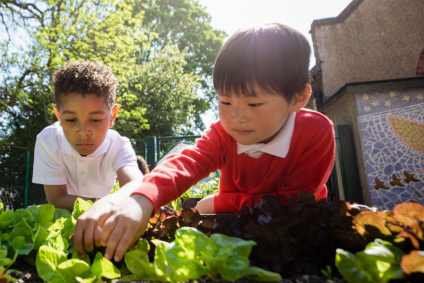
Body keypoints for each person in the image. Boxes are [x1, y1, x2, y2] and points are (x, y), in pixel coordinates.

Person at [77, 23, 336, 262]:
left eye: (254, 103)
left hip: (296, 241)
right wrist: (141, 200)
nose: (235, 117)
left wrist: (219, 202)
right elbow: (186, 163)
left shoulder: (315, 133)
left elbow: (291, 207)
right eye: (225, 102)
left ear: (298, 98)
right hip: (235, 234)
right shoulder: (224, 133)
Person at [32, 61, 144, 253]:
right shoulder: (48, 140)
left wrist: (105, 204)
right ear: (58, 116)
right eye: (70, 120)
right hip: (63, 220)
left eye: (95, 120)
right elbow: (57, 199)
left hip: (105, 214)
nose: (83, 132)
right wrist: (98, 204)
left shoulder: (119, 145)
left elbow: (137, 184)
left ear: (113, 115)